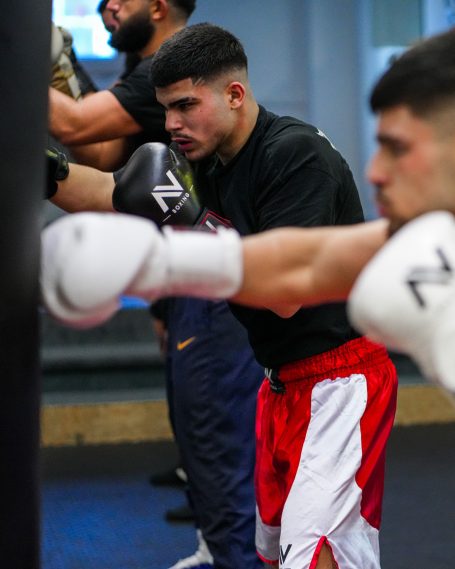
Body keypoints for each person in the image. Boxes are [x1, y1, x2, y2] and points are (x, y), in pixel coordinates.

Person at [42, 23, 399, 569]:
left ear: (235, 94)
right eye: (165, 110)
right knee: (278, 554)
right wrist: (45, 171)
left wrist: (190, 226)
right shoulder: (205, 161)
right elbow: (111, 192)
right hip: (280, 382)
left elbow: (285, 296)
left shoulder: (294, 156)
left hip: (340, 380)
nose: (172, 125)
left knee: (317, 553)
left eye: (186, 105)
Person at [48, 0, 195, 171]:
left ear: (157, 8)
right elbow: (102, 155)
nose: (110, 6)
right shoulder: (143, 64)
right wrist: (68, 64)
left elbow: (73, 126)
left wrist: (30, 56)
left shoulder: (169, 68)